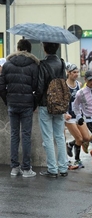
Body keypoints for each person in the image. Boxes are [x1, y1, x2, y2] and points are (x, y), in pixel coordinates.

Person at [0, 39, 39, 177]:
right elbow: (35, 86)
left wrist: (8, 101)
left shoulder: (7, 65)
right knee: (26, 135)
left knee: (14, 135)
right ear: (29, 50)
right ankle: (26, 168)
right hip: (27, 105)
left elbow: (2, 86)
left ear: (18, 48)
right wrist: (33, 102)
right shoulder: (34, 65)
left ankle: (14, 167)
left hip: (12, 104)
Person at [35, 42, 69, 178]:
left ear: (44, 49)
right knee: (60, 136)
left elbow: (40, 86)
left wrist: (35, 102)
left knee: (48, 137)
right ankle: (63, 167)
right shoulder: (61, 62)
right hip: (60, 104)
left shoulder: (42, 64)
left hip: (45, 103)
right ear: (57, 48)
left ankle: (52, 169)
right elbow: (64, 81)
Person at [64, 63, 90, 169]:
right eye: (74, 72)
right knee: (79, 138)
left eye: (77, 72)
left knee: (86, 138)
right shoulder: (65, 86)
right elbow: (63, 101)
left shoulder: (79, 84)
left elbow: (82, 100)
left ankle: (70, 145)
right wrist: (65, 113)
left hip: (79, 115)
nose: (76, 74)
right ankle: (77, 160)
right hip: (69, 116)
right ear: (68, 73)